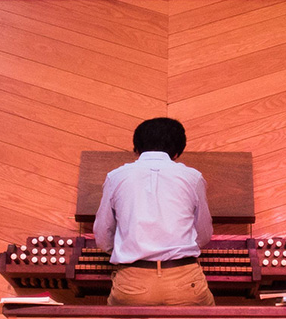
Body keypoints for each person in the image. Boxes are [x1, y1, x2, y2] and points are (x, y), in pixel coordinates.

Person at [92, 117, 215, 306]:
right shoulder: (193, 177)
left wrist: (124, 250)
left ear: (137, 149)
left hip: (132, 282)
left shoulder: (115, 177)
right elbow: (204, 234)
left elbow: (102, 235)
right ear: (176, 152)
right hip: (184, 281)